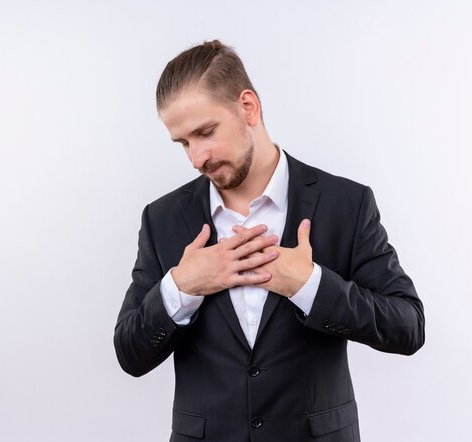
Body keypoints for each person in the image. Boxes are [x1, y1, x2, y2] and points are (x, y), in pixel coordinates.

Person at [114, 40, 425, 442]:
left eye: (206, 133)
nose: (196, 158)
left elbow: (408, 326)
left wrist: (310, 286)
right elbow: (130, 354)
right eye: (184, 143)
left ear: (248, 107)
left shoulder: (346, 204)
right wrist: (181, 288)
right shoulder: (163, 219)